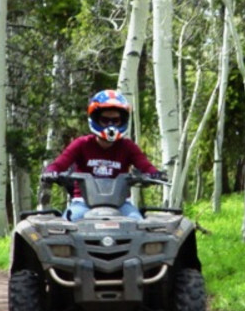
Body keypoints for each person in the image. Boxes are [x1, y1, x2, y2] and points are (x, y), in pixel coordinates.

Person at [43, 89, 163, 221]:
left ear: (122, 121)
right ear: (96, 120)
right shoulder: (81, 144)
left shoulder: (127, 146)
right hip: (83, 203)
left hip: (121, 205)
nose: (110, 125)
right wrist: (51, 171)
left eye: (115, 120)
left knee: (138, 224)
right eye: (105, 120)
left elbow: (144, 165)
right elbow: (60, 163)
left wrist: (154, 174)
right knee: (66, 226)